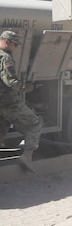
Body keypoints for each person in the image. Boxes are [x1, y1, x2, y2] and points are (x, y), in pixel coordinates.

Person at [0, 30, 41, 172]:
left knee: (2, 129)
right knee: (34, 124)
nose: (16, 47)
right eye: (15, 44)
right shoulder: (5, 58)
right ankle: (27, 156)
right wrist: (28, 88)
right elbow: (10, 81)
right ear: (7, 42)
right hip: (7, 101)